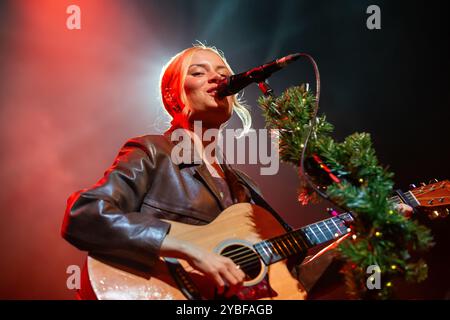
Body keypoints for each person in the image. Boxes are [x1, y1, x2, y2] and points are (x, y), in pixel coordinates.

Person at [62, 43, 413, 300]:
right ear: (173, 95)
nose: (216, 78)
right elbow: (85, 214)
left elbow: (294, 280)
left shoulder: (242, 187)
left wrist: (360, 233)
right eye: (198, 72)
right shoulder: (153, 151)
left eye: (223, 74)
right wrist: (186, 247)